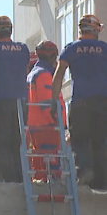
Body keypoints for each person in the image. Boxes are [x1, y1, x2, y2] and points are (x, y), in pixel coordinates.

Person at [52, 15, 107, 188]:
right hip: (102, 103)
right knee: (100, 142)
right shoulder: (104, 49)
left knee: (80, 139)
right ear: (95, 29)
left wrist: (53, 101)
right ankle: (101, 182)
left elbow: (59, 75)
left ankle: (84, 170)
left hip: (80, 103)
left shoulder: (71, 48)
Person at [0, 15, 30, 182]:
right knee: (17, 141)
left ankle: (9, 180)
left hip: (1, 99)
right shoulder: (23, 48)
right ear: (10, 30)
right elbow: (24, 72)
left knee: (2, 142)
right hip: (21, 101)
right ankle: (20, 178)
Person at [28, 40, 63, 180]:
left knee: (40, 158)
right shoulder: (44, 75)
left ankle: (39, 182)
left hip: (37, 125)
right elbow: (47, 104)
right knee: (51, 159)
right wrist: (57, 123)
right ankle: (52, 184)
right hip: (48, 126)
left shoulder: (33, 74)